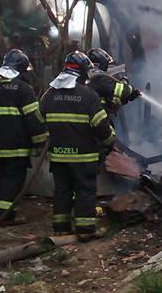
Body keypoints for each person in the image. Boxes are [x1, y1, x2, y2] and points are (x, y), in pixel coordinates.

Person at [40, 52, 116, 240]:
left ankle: (61, 228)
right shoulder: (88, 95)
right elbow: (101, 126)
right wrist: (110, 141)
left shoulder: (49, 95)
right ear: (83, 71)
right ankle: (85, 230)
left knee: (62, 191)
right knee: (84, 191)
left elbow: (38, 120)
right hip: (83, 156)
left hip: (58, 155)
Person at [0, 49, 47, 225]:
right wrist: (40, 141)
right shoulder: (23, 89)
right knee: (13, 180)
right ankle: (6, 216)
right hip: (15, 147)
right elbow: (33, 118)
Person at [86, 47, 141, 112]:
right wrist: (130, 89)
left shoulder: (91, 75)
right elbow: (120, 90)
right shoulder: (97, 77)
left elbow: (111, 100)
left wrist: (128, 97)